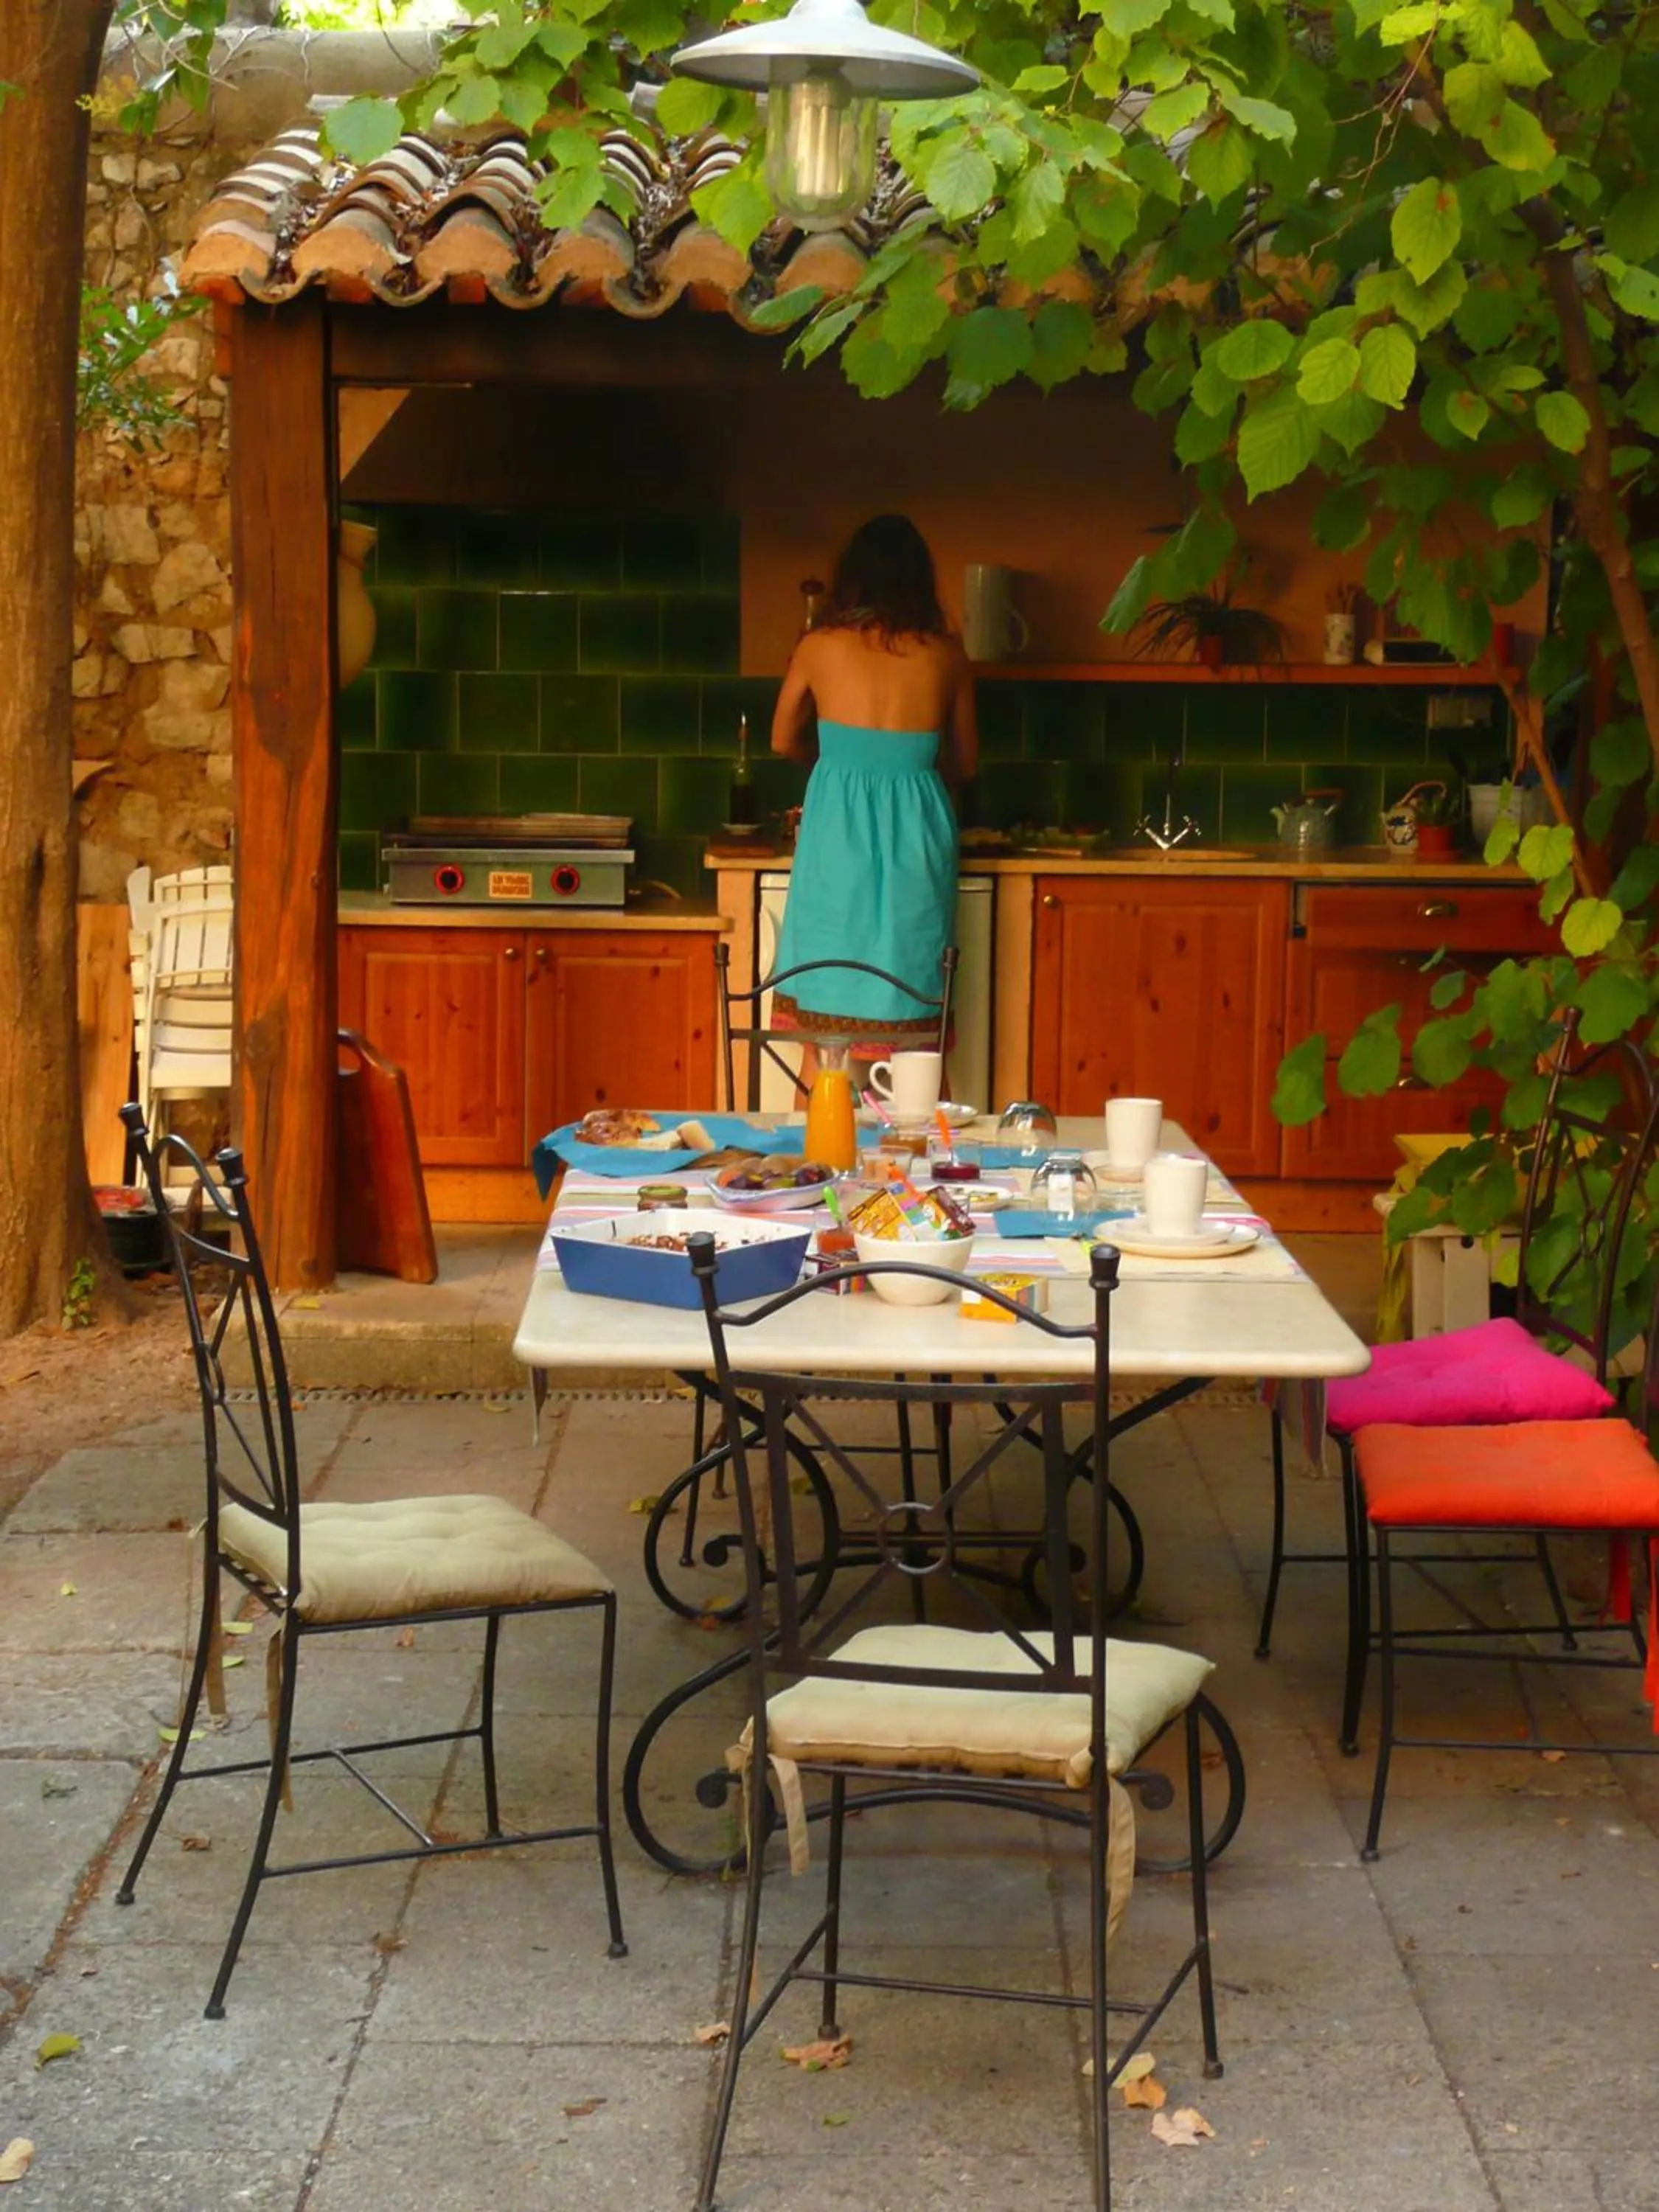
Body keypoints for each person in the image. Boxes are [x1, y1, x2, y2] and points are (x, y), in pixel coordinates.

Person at [768, 515, 978, 1073]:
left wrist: (836, 765)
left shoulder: (817, 647)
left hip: (837, 833)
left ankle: (813, 1158)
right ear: (919, 580)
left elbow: (781, 736)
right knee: (916, 1041)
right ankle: (933, 1153)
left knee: (823, 1032)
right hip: (917, 836)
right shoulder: (948, 655)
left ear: (850, 578)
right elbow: (967, 759)